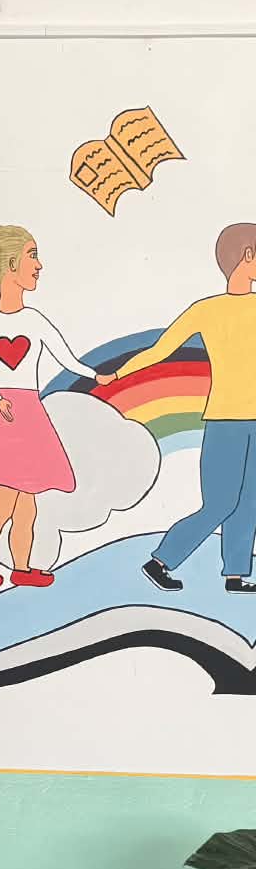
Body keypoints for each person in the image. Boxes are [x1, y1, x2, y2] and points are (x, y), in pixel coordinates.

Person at [0, 225, 112, 589]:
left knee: (27, 502)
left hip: (27, 414)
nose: (39, 265)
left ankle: (21, 567)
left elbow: (66, 357)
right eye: (32, 256)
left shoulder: (34, 321)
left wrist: (96, 375)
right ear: (11, 264)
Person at [119, 223, 256, 594]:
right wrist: (117, 374)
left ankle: (235, 575)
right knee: (221, 502)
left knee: (249, 501)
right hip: (225, 420)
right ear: (247, 256)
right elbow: (160, 351)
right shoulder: (207, 310)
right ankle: (160, 561)